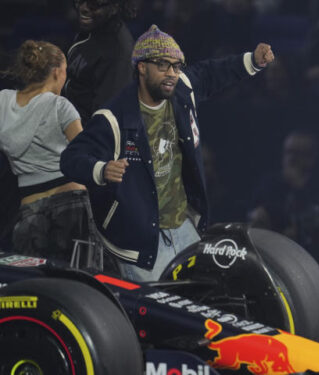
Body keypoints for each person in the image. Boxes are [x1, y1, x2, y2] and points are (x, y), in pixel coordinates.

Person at [61, 25, 274, 281]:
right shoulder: (114, 117)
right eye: (163, 65)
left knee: (196, 306)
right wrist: (101, 169)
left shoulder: (181, 89)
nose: (172, 73)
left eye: (176, 65)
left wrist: (252, 60)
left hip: (183, 227)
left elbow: (210, 74)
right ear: (141, 67)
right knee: (157, 317)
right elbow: (71, 158)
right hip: (140, 242)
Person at [0, 40, 86, 260]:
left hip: (29, 207)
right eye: (65, 72)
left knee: (35, 284)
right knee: (76, 284)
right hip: (70, 204)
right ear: (57, 72)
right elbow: (84, 157)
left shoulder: (2, 101)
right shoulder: (61, 106)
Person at [247, 130, 319, 279]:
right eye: (288, 152)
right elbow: (252, 215)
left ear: (312, 157)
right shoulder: (270, 184)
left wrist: (300, 188)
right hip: (269, 257)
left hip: (313, 264)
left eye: (299, 154)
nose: (292, 159)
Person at [63, 0, 137, 125]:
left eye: (93, 5)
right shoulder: (92, 31)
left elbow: (106, 119)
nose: (83, 8)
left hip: (81, 136)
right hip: (66, 124)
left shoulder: (118, 51)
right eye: (80, 1)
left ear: (114, 7)